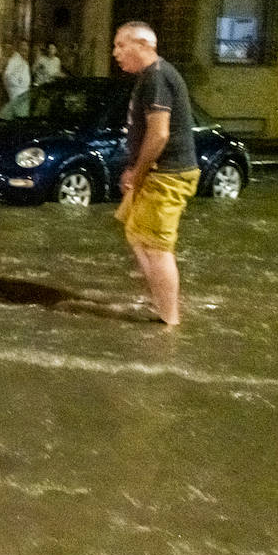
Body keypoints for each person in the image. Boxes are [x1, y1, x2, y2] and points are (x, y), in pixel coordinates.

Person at [111, 21, 200, 326]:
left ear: (143, 44)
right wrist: (135, 169)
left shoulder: (157, 78)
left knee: (157, 248)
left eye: (121, 45)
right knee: (135, 232)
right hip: (156, 173)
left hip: (167, 176)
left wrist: (137, 172)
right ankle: (162, 300)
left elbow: (159, 134)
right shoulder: (149, 77)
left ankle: (169, 321)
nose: (115, 53)